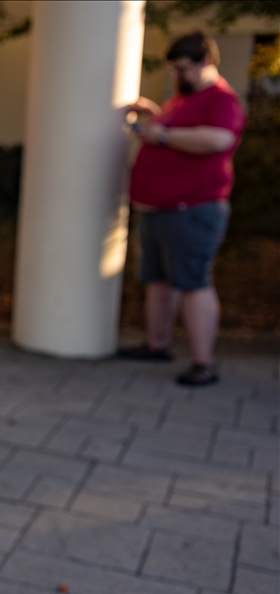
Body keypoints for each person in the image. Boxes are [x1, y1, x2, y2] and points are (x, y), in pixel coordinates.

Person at [119, 31, 245, 387]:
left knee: (192, 283)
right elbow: (177, 132)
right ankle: (157, 345)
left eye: (184, 68)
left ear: (206, 61)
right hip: (159, 208)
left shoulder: (220, 99)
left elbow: (219, 138)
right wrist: (156, 116)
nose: (177, 75)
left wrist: (159, 135)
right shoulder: (182, 98)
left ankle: (203, 362)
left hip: (193, 209)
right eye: (173, 69)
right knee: (159, 281)